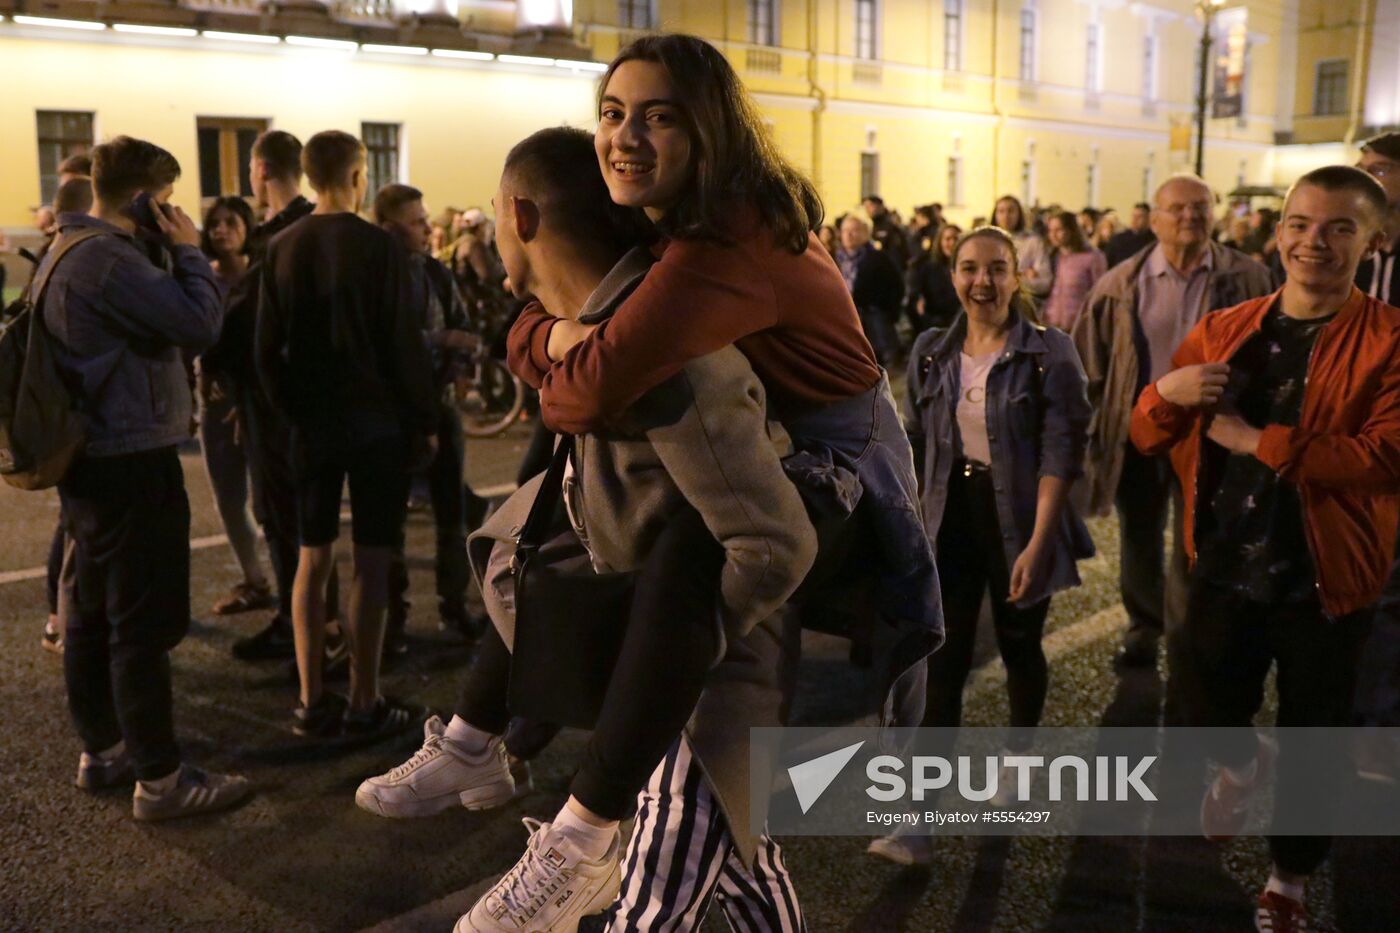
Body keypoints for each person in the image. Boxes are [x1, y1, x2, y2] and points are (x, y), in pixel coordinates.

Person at [498, 33, 941, 932]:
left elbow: (581, 391)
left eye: (658, 118)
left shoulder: (716, 243)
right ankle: (496, 743)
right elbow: (555, 331)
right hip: (771, 456)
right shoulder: (689, 217)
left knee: (682, 599)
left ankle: (580, 829)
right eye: (613, 114)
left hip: (830, 467)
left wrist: (550, 347)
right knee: (720, 812)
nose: (626, 136)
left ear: (707, 132)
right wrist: (545, 338)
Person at [360, 126, 818, 933]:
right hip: (674, 673)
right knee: (747, 872)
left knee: (653, 899)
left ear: (519, 215)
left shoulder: (660, 344)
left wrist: (679, 651)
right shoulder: (597, 320)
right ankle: (481, 743)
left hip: (698, 685)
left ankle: (573, 838)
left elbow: (774, 544)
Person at [1129, 165, 1400, 933]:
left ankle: (1289, 879)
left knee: (1316, 738)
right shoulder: (1227, 327)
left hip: (1326, 578)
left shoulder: (1389, 339)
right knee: (1206, 705)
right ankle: (1244, 763)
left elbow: (1387, 455)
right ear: (1278, 231)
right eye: (1302, 223)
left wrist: (1262, 441)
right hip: (1220, 561)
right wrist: (1164, 395)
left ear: (1372, 240)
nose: (1316, 241)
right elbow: (1147, 433)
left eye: (1340, 227)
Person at [43, 135, 249, 820]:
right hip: (132, 457)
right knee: (141, 622)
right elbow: (200, 323)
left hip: (93, 458)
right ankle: (161, 779)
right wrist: (190, 250)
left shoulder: (66, 249)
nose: (170, 212)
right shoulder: (108, 260)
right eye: (163, 200)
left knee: (93, 610)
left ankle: (103, 749)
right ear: (142, 197)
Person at [873, 227, 1093, 865]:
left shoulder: (1051, 352)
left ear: (1018, 276)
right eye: (969, 269)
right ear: (953, 275)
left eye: (997, 269)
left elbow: (1063, 449)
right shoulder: (931, 352)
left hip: (1025, 519)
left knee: (1022, 644)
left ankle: (1019, 758)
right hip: (951, 521)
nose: (982, 282)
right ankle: (919, 822)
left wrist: (1039, 541)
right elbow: (914, 441)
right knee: (943, 663)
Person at [255, 130, 438, 737]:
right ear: (359, 177)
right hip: (376, 424)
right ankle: (364, 698)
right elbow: (402, 345)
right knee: (372, 559)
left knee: (313, 557)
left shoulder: (281, 247)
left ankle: (311, 700)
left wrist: (289, 412)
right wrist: (421, 421)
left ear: (309, 178)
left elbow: (265, 351)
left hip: (312, 424)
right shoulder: (380, 250)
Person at [1071, 174, 1273, 677]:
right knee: (1139, 535)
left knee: (1198, 537)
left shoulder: (1248, 277)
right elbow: (1085, 362)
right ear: (1155, 219)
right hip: (1139, 433)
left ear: (1215, 213)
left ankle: (1189, 635)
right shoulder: (1120, 284)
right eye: (1178, 209)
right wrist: (1085, 431)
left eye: (1201, 207)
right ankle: (1145, 626)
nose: (1190, 217)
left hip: (1212, 437)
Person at [206, 130, 328, 665]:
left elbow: (257, 323)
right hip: (283, 397)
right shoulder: (307, 228)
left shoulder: (285, 234)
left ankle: (304, 627)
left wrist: (223, 366)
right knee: (291, 514)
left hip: (280, 401)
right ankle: (308, 621)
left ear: (259, 170)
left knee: (287, 515)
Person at [373, 182, 484, 642]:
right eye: (416, 221)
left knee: (451, 514)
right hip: (390, 414)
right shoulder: (375, 277)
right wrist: (439, 342)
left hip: (440, 407)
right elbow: (379, 344)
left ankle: (453, 607)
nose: (427, 227)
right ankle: (394, 618)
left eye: (425, 219)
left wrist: (460, 361)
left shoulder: (436, 272)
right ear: (388, 228)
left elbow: (461, 323)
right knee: (389, 525)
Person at [196, 196, 275, 618]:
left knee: (270, 498)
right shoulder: (201, 279)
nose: (221, 230)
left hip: (258, 399)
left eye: (230, 222)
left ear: (247, 226)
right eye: (214, 224)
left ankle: (291, 579)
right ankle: (254, 578)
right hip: (215, 400)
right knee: (228, 496)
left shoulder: (262, 278)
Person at [38, 174, 96, 656]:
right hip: (88, 424)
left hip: (61, 419)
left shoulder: (51, 258)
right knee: (77, 533)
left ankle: (60, 621)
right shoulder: (89, 260)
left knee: (72, 526)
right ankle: (65, 624)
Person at [836, 213, 905, 363]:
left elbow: (896, 285)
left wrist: (890, 312)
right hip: (843, 316)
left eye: (854, 230)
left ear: (866, 233)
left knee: (874, 359)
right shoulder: (835, 257)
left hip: (872, 317)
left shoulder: (878, 258)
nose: (848, 234)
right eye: (845, 230)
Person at [1042, 210, 1107, 332]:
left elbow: (1100, 293)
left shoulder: (1093, 257)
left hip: (1078, 326)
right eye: (1050, 231)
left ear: (1071, 230)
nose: (1053, 235)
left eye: (1058, 230)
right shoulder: (1054, 256)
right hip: (1052, 324)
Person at [904, 221, 962, 332]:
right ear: (940, 241)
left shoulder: (967, 266)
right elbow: (915, 297)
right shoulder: (925, 266)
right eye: (948, 239)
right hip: (934, 325)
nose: (953, 243)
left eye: (956, 238)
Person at [993, 195, 1051, 298]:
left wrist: (1016, 280)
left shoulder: (1033, 242)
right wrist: (1022, 275)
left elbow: (1044, 282)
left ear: (1019, 214)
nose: (1006, 216)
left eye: (1011, 211)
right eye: (1001, 211)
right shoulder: (988, 241)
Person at [863, 194, 911, 269]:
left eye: (870, 206)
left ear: (880, 207)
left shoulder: (889, 226)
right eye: (866, 207)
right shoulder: (874, 225)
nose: (867, 210)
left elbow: (896, 253)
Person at [1104, 202, 1156, 268]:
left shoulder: (1153, 241)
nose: (1135, 219)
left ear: (1148, 219)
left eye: (1139, 217)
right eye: (1133, 216)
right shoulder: (1118, 240)